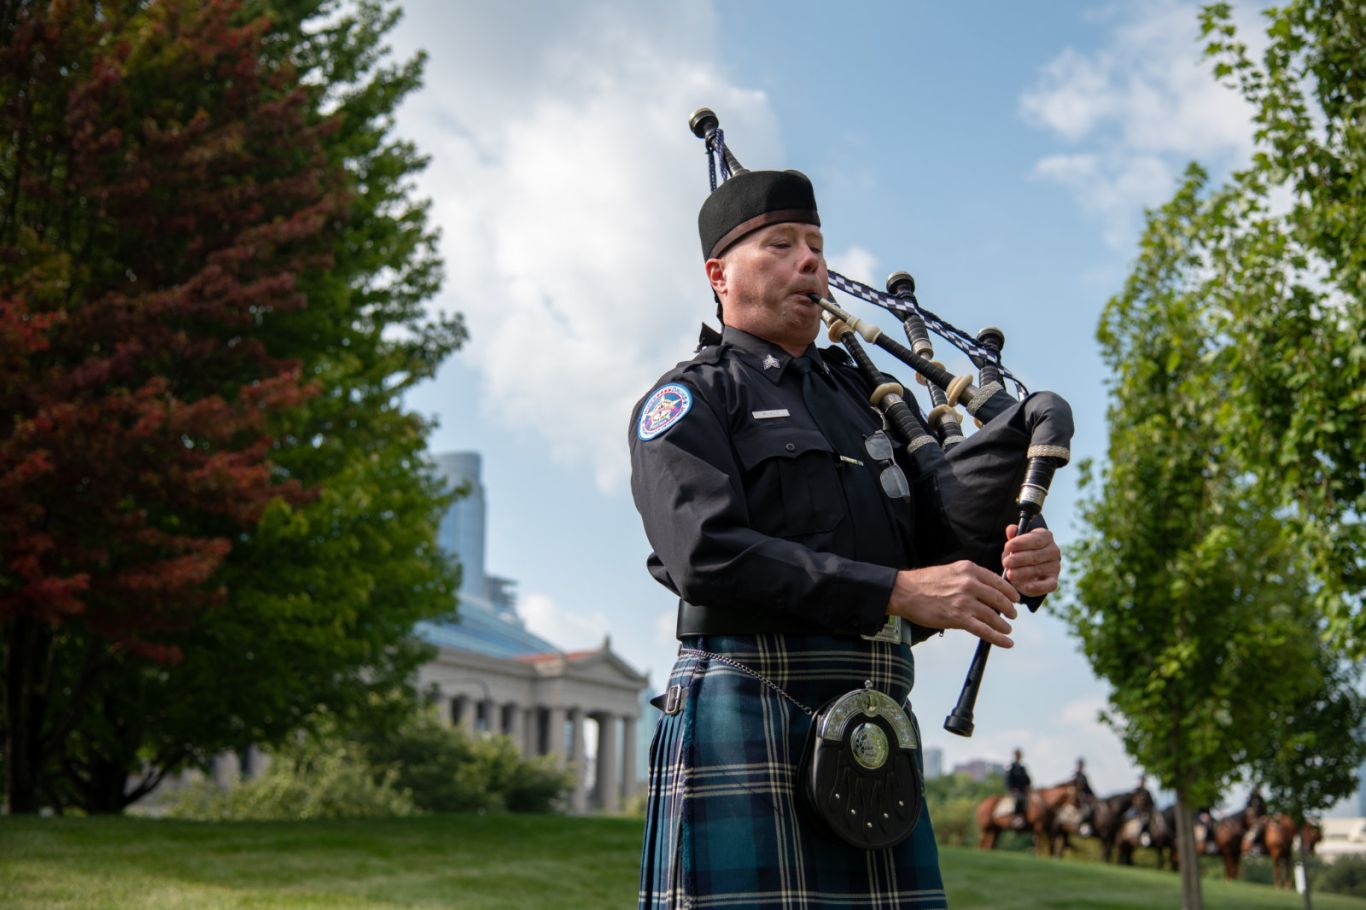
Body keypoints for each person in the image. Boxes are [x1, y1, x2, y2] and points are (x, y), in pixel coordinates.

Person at [630, 168, 1062, 909]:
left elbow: (938, 540)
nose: (811, 261)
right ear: (719, 275)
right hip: (749, 705)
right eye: (782, 244)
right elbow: (707, 554)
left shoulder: (870, 406)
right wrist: (897, 591)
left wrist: (1016, 557)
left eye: (818, 246)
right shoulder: (691, 399)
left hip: (876, 715)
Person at [1005, 748, 1032, 829]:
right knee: (1018, 799)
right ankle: (1017, 818)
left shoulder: (1023, 768)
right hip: (1016, 790)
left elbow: (1027, 779)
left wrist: (1028, 786)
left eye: (1019, 755)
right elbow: (1009, 779)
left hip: (1024, 790)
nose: (1018, 757)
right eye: (1017, 755)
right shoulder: (1012, 767)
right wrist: (1011, 789)